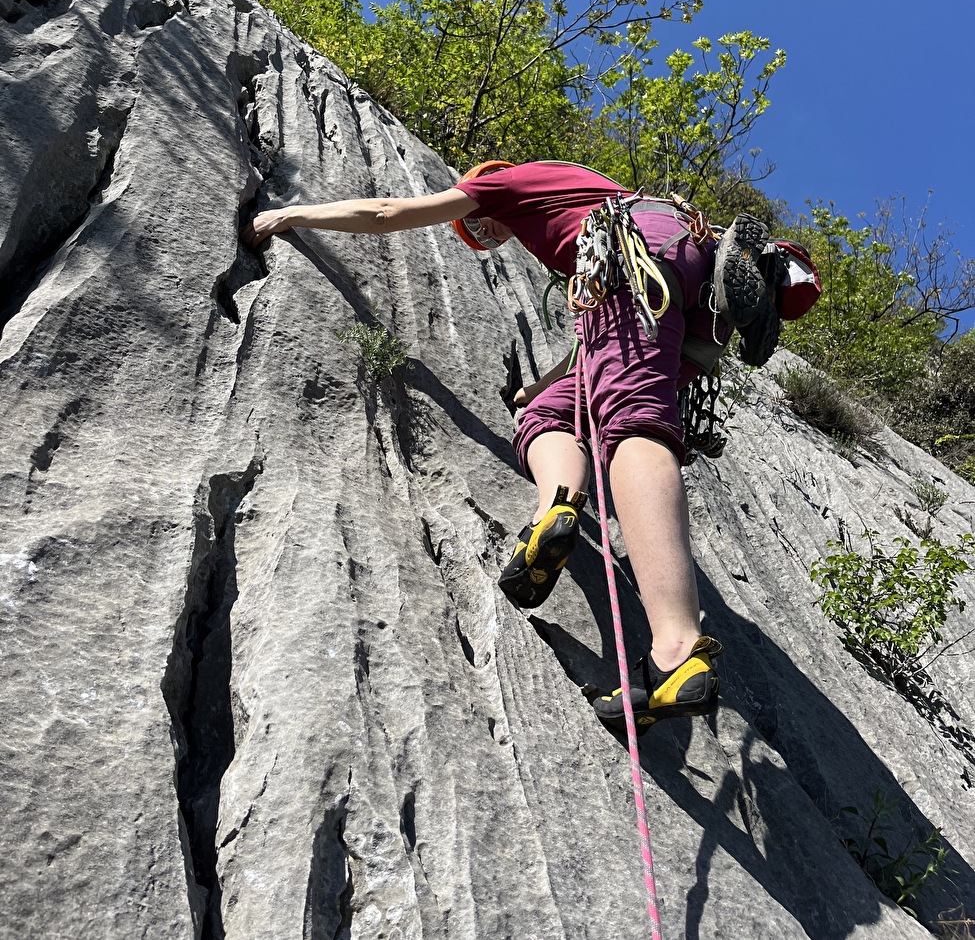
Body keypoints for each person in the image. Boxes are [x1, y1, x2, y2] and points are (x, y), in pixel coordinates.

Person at [245, 161, 769, 733]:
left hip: (640, 259)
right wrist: (536, 389)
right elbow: (599, 355)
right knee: (551, 414)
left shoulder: (504, 183)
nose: (485, 238)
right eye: (477, 239)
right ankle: (556, 512)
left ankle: (676, 648)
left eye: (479, 228)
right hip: (687, 278)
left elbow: (389, 213)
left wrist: (292, 213)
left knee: (631, 422)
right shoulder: (582, 187)